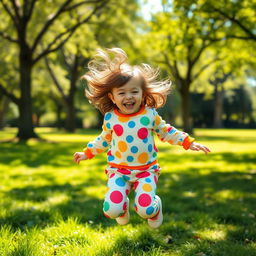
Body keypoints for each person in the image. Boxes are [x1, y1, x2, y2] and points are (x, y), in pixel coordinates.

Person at [73, 48, 210, 228]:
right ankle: (121, 209)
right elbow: (103, 140)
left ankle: (156, 207)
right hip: (118, 171)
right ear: (112, 97)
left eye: (134, 92)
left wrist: (187, 142)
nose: (128, 97)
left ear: (143, 94)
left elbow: (167, 131)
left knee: (145, 209)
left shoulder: (149, 115)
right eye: (121, 93)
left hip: (146, 171)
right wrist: (87, 153)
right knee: (111, 209)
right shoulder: (111, 118)